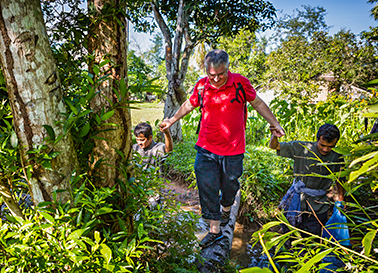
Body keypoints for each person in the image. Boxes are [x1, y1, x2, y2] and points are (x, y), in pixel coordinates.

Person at [160, 49, 284, 248]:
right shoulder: (202, 86)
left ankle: (227, 208)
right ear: (206, 71)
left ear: (228, 68)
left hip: (233, 149)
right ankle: (215, 230)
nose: (216, 79)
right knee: (206, 186)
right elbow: (189, 104)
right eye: (212, 75)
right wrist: (172, 120)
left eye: (221, 74)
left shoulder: (240, 83)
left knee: (230, 186)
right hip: (206, 146)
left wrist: (275, 123)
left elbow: (258, 103)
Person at [269, 123, 345, 237]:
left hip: (319, 203)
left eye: (330, 146)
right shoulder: (302, 147)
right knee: (290, 232)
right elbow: (275, 146)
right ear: (318, 139)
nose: (325, 149)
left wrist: (341, 199)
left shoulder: (337, 157)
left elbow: (340, 178)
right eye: (322, 145)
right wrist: (274, 136)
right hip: (297, 199)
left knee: (313, 234)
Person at [133, 122, 173, 208]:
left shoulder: (158, 148)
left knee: (153, 214)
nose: (139, 143)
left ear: (150, 137)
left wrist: (166, 133)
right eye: (137, 139)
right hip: (137, 190)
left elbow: (168, 149)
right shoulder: (134, 148)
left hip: (153, 193)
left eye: (142, 140)